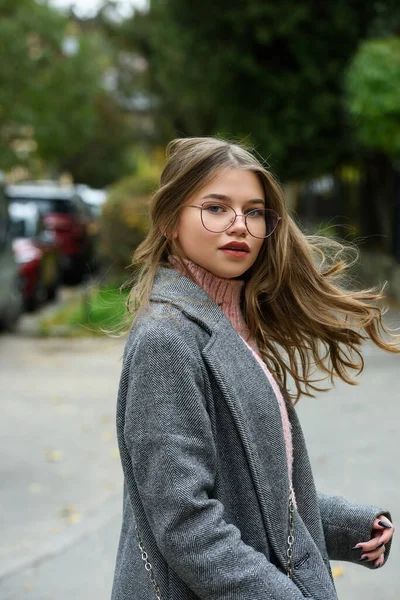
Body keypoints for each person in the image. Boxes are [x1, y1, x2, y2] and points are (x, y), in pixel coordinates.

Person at [111, 137, 397, 600]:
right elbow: (188, 527)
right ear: (169, 222)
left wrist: (349, 526)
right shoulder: (167, 340)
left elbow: (255, 496)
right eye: (216, 208)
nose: (239, 225)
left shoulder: (231, 326)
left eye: (255, 211)